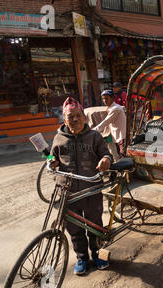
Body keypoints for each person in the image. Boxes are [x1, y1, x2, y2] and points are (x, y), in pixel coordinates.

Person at [50, 97, 113, 275]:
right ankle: (82, 258)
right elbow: (49, 158)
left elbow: (107, 154)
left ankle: (99, 255)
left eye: (78, 115)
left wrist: (105, 160)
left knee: (95, 226)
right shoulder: (58, 138)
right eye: (71, 117)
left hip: (91, 189)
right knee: (74, 229)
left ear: (84, 117)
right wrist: (51, 161)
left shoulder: (94, 136)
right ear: (65, 119)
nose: (75, 119)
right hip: (67, 192)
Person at [93, 90, 127, 158]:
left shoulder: (115, 109)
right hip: (114, 134)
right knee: (115, 151)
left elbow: (105, 122)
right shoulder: (111, 107)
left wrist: (93, 131)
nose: (104, 100)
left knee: (122, 154)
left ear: (112, 98)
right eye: (103, 99)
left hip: (121, 135)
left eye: (106, 98)